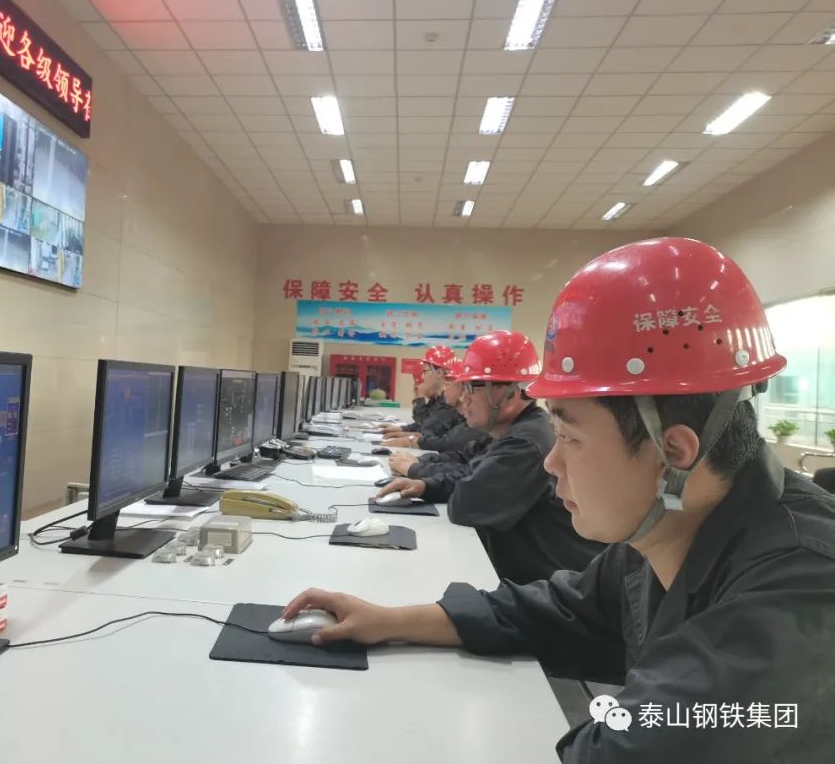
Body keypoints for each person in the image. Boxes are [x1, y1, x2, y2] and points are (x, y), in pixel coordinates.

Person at [284, 237, 835, 762]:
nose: (551, 462)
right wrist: (387, 620)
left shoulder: (801, 596)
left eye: (569, 436)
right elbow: (558, 609)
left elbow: (633, 753)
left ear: (673, 452)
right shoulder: (666, 532)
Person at [376, 330, 605, 584]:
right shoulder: (506, 430)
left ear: (510, 394)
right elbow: (467, 465)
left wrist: (421, 472)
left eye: (472, 387)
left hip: (543, 585)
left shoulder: (525, 442)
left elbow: (467, 504)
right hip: (512, 573)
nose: (464, 398)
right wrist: (426, 485)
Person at [382, 357, 486, 455]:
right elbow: (430, 430)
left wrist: (411, 442)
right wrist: (408, 434)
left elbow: (438, 437)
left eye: (424, 371)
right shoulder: (441, 401)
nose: (422, 378)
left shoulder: (452, 408)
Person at [378, 346, 463, 442]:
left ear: (439, 372)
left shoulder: (449, 401)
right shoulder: (437, 399)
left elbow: (426, 429)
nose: (423, 377)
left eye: (424, 371)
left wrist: (420, 397)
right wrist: (400, 429)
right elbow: (423, 424)